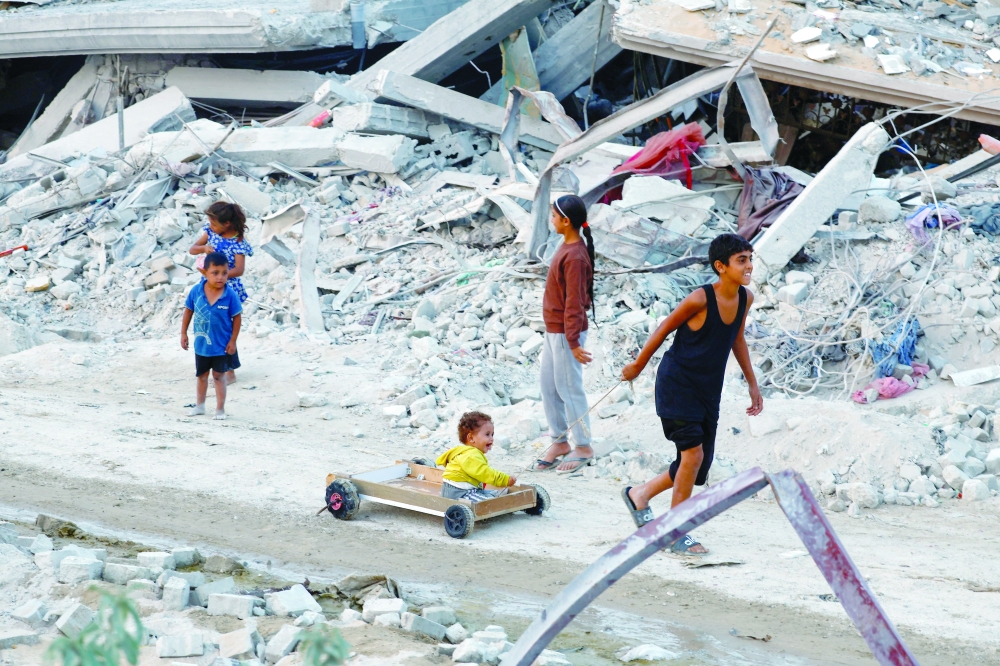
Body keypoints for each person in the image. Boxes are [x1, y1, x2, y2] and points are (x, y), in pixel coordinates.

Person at [620, 233, 763, 556]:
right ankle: (675, 531)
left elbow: (736, 338)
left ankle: (639, 495)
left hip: (708, 390)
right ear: (721, 267)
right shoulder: (700, 299)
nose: (749, 265)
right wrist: (638, 366)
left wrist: (752, 383)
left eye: (750, 258)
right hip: (677, 384)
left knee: (697, 466)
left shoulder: (745, 298)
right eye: (742, 260)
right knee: (692, 455)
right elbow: (664, 329)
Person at [529, 195, 597, 474]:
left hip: (566, 333)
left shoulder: (576, 256)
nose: (551, 221)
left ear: (566, 222)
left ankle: (583, 445)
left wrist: (572, 343)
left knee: (569, 389)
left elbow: (574, 303)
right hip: (554, 331)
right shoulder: (566, 244)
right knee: (549, 387)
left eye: (554, 217)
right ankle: (559, 440)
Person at [190, 201, 253, 385]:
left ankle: (229, 370)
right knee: (209, 326)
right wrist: (204, 249)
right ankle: (212, 367)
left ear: (226, 224)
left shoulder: (238, 243)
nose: (211, 227)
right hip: (208, 289)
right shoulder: (210, 233)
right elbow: (193, 249)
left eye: (214, 224)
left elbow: (239, 270)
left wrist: (219, 276)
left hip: (227, 291)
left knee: (225, 330)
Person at [181, 252, 243, 421]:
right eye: (215, 273)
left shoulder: (230, 295)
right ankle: (200, 406)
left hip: (221, 345)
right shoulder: (196, 291)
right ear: (204, 273)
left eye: (224, 272)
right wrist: (183, 333)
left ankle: (220, 409)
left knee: (219, 376)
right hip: (201, 345)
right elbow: (188, 311)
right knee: (201, 376)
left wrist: (233, 341)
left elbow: (237, 318)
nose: (220, 277)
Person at [436, 412, 517, 502]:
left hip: (466, 490)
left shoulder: (469, 452)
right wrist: (504, 479)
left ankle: (491, 495)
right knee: (488, 503)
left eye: (492, 434)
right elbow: (485, 473)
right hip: (458, 493)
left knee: (489, 494)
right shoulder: (470, 456)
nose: (491, 438)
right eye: (487, 434)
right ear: (471, 438)